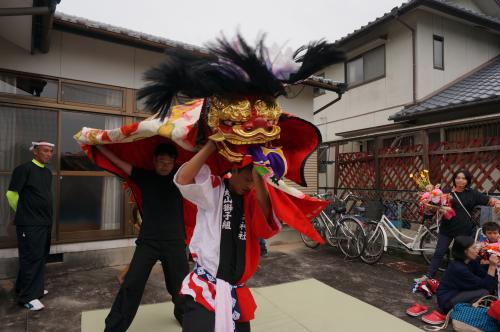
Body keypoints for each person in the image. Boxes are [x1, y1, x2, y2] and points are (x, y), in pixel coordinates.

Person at [174, 141, 281, 332]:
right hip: (206, 287)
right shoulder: (214, 189)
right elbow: (183, 179)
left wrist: (260, 176)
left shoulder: (253, 200)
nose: (250, 185)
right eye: (248, 179)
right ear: (234, 170)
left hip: (236, 292)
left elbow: (266, 227)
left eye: (253, 181)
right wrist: (212, 145)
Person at [101, 143, 188, 331]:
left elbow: (203, 164)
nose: (165, 165)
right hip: (148, 242)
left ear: (175, 163)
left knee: (181, 287)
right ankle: (113, 328)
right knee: (131, 285)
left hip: (175, 241)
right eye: (161, 161)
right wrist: (99, 147)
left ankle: (183, 316)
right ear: (154, 161)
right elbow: (118, 162)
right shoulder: (145, 177)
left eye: (169, 162)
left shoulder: (181, 178)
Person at [6, 141, 55, 311]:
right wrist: (22, 213)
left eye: (51, 151)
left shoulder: (47, 172)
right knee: (31, 258)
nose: (49, 154)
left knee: (40, 256)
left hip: (45, 222)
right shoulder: (24, 169)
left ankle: (30, 288)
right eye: (45, 151)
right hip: (30, 223)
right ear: (35, 152)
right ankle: (28, 297)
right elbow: (11, 194)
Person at [425, 169, 499, 279]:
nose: (460, 180)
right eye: (458, 178)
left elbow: (489, 200)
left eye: (464, 178)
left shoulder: (472, 194)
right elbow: (434, 207)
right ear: (454, 179)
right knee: (439, 253)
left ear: (467, 180)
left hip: (464, 230)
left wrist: (497, 203)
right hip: (447, 228)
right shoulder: (446, 192)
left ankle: (457, 278)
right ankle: (429, 276)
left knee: (460, 256)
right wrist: (431, 200)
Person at [421, 236, 498, 325]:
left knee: (488, 290)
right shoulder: (458, 268)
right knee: (484, 292)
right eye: (474, 248)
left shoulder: (471, 261)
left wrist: (489, 263)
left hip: (459, 293)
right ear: (465, 251)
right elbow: (487, 285)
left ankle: (469, 309)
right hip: (447, 301)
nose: (477, 249)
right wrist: (492, 266)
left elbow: (485, 276)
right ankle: (458, 312)